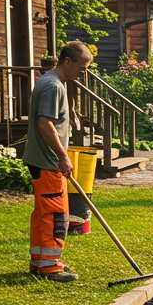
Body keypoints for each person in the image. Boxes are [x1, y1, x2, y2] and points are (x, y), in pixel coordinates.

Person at [22, 40, 93, 282]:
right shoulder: (52, 86)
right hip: (48, 161)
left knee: (45, 213)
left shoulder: (53, 83)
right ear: (67, 61)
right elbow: (45, 123)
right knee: (55, 215)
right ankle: (50, 267)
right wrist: (63, 157)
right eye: (81, 68)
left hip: (43, 160)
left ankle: (41, 262)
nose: (83, 74)